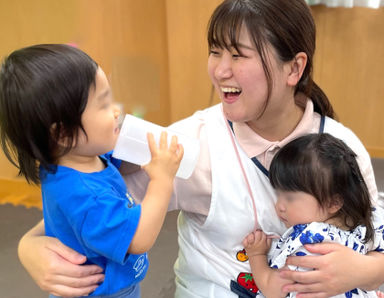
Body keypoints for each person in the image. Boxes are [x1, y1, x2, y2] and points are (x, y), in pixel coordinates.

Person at [16, 0, 384, 297]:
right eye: (215, 52)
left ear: (294, 68)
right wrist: (29, 246)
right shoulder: (188, 142)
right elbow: (91, 204)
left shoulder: (341, 146)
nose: (220, 71)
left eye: (238, 55)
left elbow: (375, 231)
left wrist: (367, 270)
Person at [0, 44, 183, 297]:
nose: (116, 110)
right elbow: (139, 237)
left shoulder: (74, 160)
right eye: (104, 104)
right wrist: (162, 179)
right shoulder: (86, 195)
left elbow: (115, 160)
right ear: (63, 133)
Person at [242, 133, 384, 298]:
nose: (279, 206)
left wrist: (256, 255)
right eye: (278, 194)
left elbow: (274, 290)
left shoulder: (309, 242)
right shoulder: (370, 223)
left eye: (289, 198)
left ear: (333, 203)